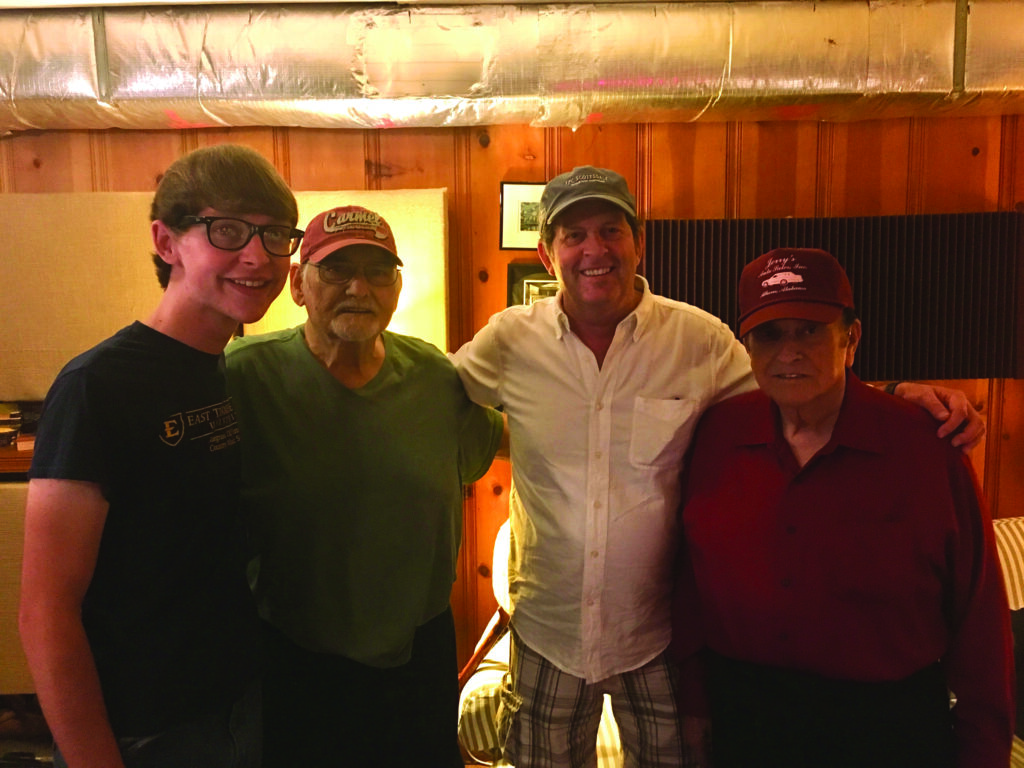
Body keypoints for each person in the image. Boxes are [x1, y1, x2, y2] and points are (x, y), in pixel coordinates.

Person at [450, 166, 988, 768]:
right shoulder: (509, 340)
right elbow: (437, 398)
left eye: (610, 230)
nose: (594, 249)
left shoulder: (698, 340)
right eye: (574, 235)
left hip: (656, 636)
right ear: (547, 254)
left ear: (638, 241)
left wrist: (893, 394)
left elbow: (792, 385)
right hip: (547, 631)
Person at [19, 143, 301, 768]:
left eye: (276, 234)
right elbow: (45, 611)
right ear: (166, 241)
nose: (258, 255)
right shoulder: (98, 386)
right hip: (143, 734)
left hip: (234, 708)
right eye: (228, 230)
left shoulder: (222, 370)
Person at [676, 247, 1014, 768]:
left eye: (809, 331)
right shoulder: (717, 435)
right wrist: (696, 703)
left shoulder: (926, 447)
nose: (789, 352)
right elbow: (691, 582)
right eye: (770, 334)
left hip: (888, 729)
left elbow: (979, 617)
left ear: (850, 339)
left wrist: (984, 751)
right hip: (748, 720)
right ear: (747, 348)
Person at [224, 204, 505, 767]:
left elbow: (512, 444)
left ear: (396, 289)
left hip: (418, 653)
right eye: (336, 269)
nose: (359, 287)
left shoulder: (436, 377)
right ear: (298, 285)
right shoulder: (244, 375)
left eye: (378, 272)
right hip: (293, 657)